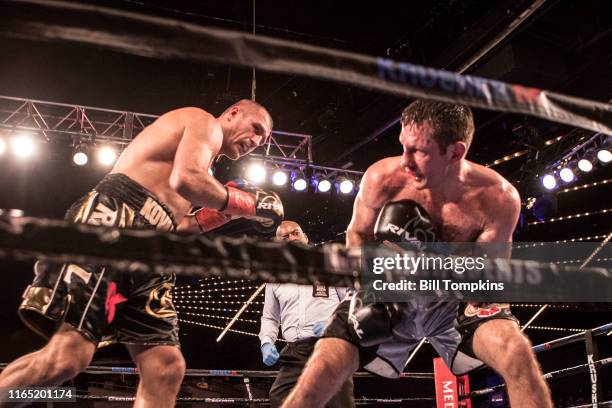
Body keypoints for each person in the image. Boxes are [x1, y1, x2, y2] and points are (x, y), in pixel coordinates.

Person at [2, 99, 283, 408]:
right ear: (233, 113)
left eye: (264, 139)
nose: (256, 141)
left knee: (165, 367)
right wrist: (248, 203)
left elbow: (178, 224)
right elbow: (186, 179)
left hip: (151, 246)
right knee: (66, 359)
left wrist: (225, 214)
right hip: (115, 220)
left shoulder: (206, 161)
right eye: (256, 129)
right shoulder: (203, 122)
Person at [282, 100, 552, 408]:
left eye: (419, 152)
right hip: (389, 291)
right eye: (403, 147)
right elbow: (357, 233)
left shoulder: (498, 199)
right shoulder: (382, 178)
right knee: (322, 365)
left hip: (453, 302)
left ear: (455, 152)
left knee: (517, 352)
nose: (405, 161)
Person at [259, 221, 354, 408]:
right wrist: (266, 342)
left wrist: (334, 324)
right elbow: (270, 317)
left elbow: (351, 302)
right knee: (280, 399)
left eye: (296, 233)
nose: (292, 238)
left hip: (329, 345)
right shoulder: (274, 277)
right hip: (294, 351)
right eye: (285, 237)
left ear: (305, 236)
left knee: (338, 403)